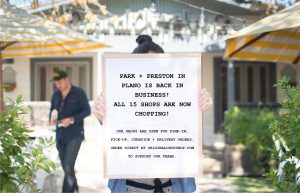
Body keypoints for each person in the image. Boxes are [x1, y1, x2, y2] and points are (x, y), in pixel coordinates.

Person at [94, 35, 213, 193]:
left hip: (172, 186)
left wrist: (199, 106)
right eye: (145, 66)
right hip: (130, 186)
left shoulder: (180, 92)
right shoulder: (117, 93)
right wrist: (103, 116)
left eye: (156, 65)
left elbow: (186, 129)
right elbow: (114, 130)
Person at [49, 68, 91, 193]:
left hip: (75, 135)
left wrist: (72, 119)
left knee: (68, 166)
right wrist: (51, 118)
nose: (58, 85)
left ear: (66, 79)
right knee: (67, 168)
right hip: (60, 135)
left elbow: (87, 111)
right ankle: (75, 189)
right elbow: (52, 110)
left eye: (60, 82)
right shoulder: (55, 94)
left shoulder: (79, 92)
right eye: (56, 83)